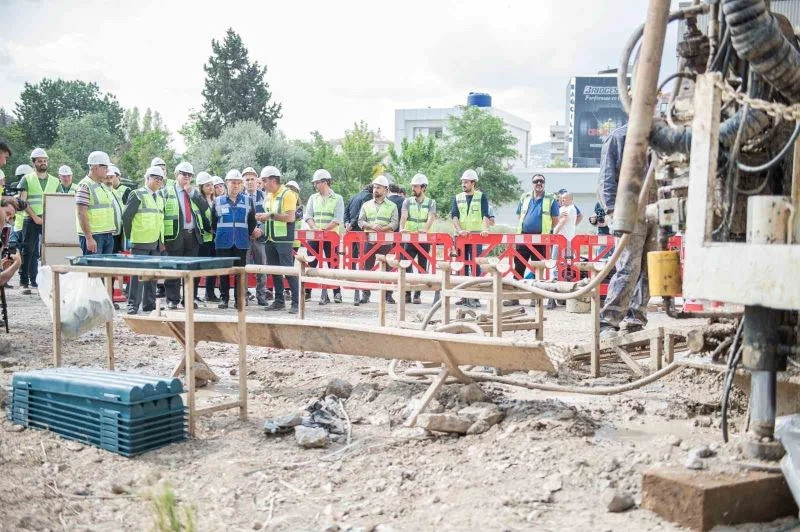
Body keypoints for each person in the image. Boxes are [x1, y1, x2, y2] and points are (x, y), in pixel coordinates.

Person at [598, 124, 657, 338]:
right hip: (630, 210)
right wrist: (612, 212)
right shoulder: (619, 137)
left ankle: (636, 319)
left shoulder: (662, 136)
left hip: (657, 210)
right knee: (628, 267)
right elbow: (606, 178)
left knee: (651, 269)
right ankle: (608, 321)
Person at [504, 173, 560, 307]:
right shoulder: (525, 197)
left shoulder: (550, 198)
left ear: (544, 184)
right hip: (523, 237)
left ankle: (535, 298)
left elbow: (555, 220)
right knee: (518, 267)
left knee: (538, 268)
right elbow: (520, 216)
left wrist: (546, 232)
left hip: (541, 239)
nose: (539, 183)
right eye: (536, 181)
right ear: (532, 183)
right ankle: (514, 297)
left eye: (541, 181)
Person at [163, 162, 208, 310]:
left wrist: (192, 193)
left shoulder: (194, 192)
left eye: (189, 175)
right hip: (175, 235)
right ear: (176, 175)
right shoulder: (167, 191)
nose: (187, 177)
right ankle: (172, 300)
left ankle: (188, 299)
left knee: (191, 270)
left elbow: (204, 208)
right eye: (184, 174)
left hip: (192, 235)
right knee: (173, 268)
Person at [212, 169, 259, 309]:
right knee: (224, 272)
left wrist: (248, 233)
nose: (236, 185)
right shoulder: (218, 201)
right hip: (222, 241)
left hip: (241, 242)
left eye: (239, 183)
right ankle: (224, 299)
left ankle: (239, 299)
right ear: (227, 183)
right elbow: (213, 222)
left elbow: (252, 222)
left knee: (240, 272)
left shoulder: (248, 201)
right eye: (233, 182)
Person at [123, 167, 165, 315]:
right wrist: (130, 237)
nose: (158, 181)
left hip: (155, 241)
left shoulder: (160, 197)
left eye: (161, 179)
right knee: (137, 275)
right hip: (140, 241)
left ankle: (149, 304)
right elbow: (126, 217)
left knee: (152, 275)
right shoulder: (137, 194)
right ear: (147, 178)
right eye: (155, 178)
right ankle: (133, 304)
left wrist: (161, 240)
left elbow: (160, 219)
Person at [258, 166, 299, 314]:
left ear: (273, 180)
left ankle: (296, 302)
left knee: (288, 271)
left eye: (264, 181)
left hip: (283, 239)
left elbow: (290, 217)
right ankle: (279, 301)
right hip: (270, 238)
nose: (262, 184)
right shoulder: (269, 196)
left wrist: (269, 216)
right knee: (274, 271)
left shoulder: (288, 195)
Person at [18, 148, 59, 294]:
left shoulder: (55, 181)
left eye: (45, 160)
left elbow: (59, 201)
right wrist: (35, 217)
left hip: (49, 220)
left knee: (49, 251)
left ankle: (43, 281)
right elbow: (23, 201)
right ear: (34, 163)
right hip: (31, 219)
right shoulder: (27, 179)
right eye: (40, 161)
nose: (43, 163)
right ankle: (25, 282)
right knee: (29, 251)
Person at [304, 169, 344, 305]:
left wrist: (324, 230)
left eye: (317, 183)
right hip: (315, 236)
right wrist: (315, 229)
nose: (315, 185)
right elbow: (308, 216)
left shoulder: (338, 198)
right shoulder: (312, 198)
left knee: (333, 264)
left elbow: (337, 219)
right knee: (311, 263)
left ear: (325, 182)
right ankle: (307, 291)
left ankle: (337, 292)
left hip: (331, 237)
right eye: (315, 183)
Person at [450, 169, 489, 308]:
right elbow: (454, 215)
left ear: (473, 183)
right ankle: (464, 295)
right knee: (462, 265)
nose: (463, 184)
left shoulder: (481, 197)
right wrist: (460, 230)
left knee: (475, 264)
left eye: (466, 182)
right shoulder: (457, 197)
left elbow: (485, 214)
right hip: (461, 237)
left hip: (476, 235)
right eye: (462, 182)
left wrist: (485, 229)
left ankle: (475, 296)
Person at [357, 175, 399, 304]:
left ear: (386, 190)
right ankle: (366, 294)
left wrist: (384, 229)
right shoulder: (366, 205)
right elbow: (360, 221)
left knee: (388, 269)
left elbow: (394, 223)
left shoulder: (392, 206)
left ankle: (388, 295)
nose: (376, 190)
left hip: (386, 242)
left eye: (379, 188)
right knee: (367, 268)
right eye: (375, 187)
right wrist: (372, 226)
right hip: (369, 241)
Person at [400, 173, 436, 304]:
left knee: (422, 267)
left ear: (423, 188)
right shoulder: (407, 201)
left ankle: (417, 294)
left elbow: (431, 217)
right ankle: (407, 293)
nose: (413, 188)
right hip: (410, 238)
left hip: (424, 239)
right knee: (406, 265)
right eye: (413, 186)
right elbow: (403, 216)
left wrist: (425, 229)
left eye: (415, 186)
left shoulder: (431, 202)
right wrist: (402, 228)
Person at [76, 151, 116, 255]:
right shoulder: (85, 186)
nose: (107, 170)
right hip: (94, 237)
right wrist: (89, 238)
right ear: (95, 167)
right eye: (105, 167)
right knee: (93, 269)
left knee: (105, 270)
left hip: (107, 235)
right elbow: (81, 213)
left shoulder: (103, 186)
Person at [344, 183, 374, 305]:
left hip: (350, 232)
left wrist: (346, 223)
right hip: (360, 232)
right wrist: (352, 222)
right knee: (364, 261)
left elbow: (346, 211)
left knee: (353, 260)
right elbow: (361, 213)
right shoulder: (368, 198)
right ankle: (363, 291)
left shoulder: (353, 197)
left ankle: (354, 287)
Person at [243, 167, 268, 305]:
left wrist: (261, 230)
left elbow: (270, 217)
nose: (250, 182)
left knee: (262, 267)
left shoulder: (265, 197)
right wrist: (249, 231)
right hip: (245, 238)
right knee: (244, 268)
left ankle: (262, 296)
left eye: (252, 179)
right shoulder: (240, 197)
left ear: (257, 180)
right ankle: (244, 297)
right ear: (243, 182)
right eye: (247, 179)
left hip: (261, 238)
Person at [195, 172, 219, 302]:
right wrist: (210, 229)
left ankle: (210, 293)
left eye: (211, 185)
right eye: (207, 185)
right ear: (201, 187)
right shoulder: (199, 201)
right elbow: (201, 219)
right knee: (199, 267)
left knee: (213, 266)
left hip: (214, 239)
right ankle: (193, 294)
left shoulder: (215, 200)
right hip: (203, 239)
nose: (210, 187)